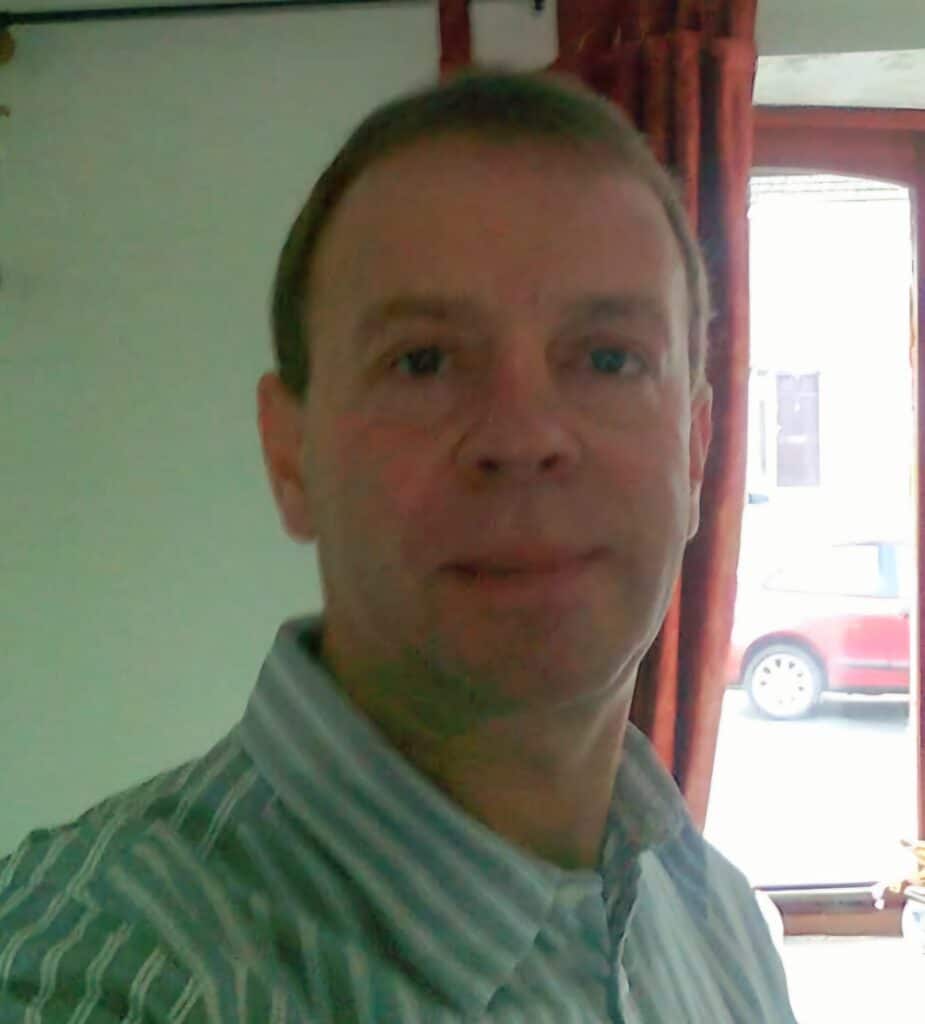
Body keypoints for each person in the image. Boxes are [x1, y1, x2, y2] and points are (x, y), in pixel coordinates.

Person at [0, 70, 797, 1022]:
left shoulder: (719, 919)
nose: (525, 435)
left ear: (698, 450)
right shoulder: (111, 974)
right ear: (288, 456)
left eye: (609, 358)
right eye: (422, 360)